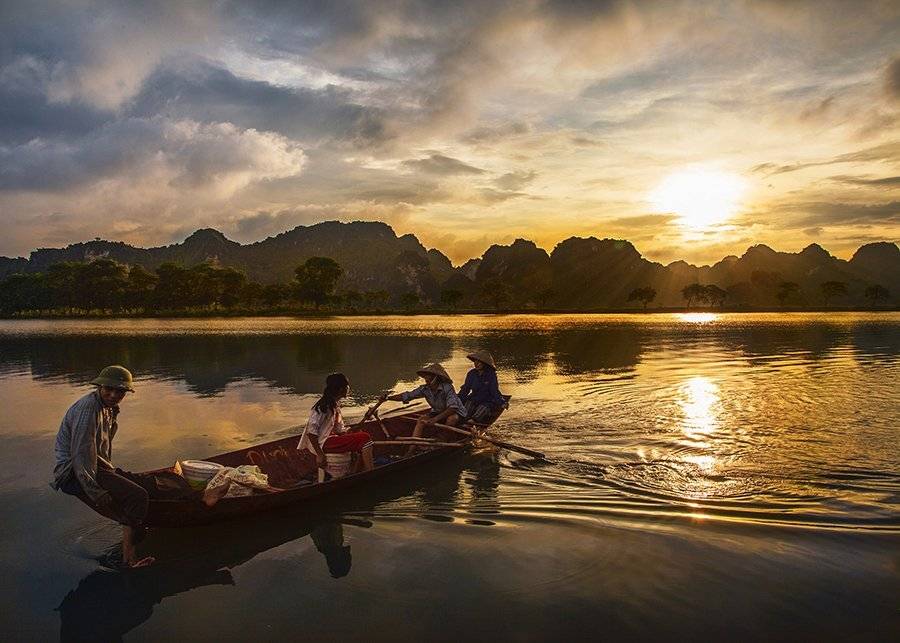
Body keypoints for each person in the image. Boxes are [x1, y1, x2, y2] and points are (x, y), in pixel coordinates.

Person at [51, 365, 155, 568]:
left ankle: (132, 528)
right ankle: (128, 559)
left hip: (96, 466)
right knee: (137, 496)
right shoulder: (88, 409)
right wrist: (95, 491)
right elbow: (81, 455)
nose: (113, 394)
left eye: (120, 391)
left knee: (143, 484)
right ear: (100, 386)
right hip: (74, 473)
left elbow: (100, 450)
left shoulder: (108, 408)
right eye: (109, 389)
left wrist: (113, 474)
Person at [298, 373, 374, 475]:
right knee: (365, 438)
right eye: (347, 386)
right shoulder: (323, 406)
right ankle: (371, 473)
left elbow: (341, 430)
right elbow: (311, 433)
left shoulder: (334, 405)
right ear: (341, 389)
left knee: (361, 435)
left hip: (330, 440)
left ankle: (354, 472)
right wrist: (320, 455)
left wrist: (365, 418)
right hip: (323, 443)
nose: (348, 388)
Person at [386, 363, 466, 448]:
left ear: (436, 378)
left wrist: (435, 419)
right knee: (421, 420)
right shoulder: (425, 389)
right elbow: (407, 396)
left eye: (429, 377)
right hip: (438, 412)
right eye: (426, 377)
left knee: (451, 419)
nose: (426, 379)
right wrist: (388, 398)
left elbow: (452, 408)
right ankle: (412, 448)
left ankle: (444, 441)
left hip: (457, 414)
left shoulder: (447, 388)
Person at [458, 350, 506, 424]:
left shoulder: (491, 375)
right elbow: (466, 389)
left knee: (483, 408)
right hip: (475, 398)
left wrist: (501, 402)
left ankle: (473, 422)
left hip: (487, 400)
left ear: (484, 363)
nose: (476, 364)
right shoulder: (471, 373)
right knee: (466, 409)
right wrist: (457, 399)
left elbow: (494, 390)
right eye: (475, 361)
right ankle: (464, 421)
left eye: (479, 362)